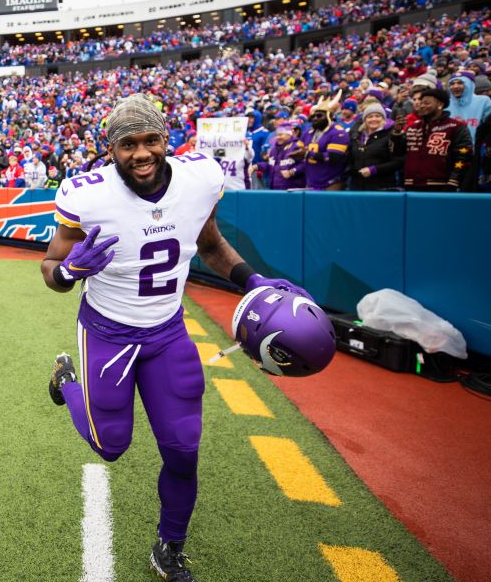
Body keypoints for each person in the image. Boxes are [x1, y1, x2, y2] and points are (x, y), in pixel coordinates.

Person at [42, 94, 316, 582]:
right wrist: (68, 271)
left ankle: (170, 546)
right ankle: (66, 380)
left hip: (167, 331)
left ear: (165, 140)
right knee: (110, 446)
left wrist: (252, 280)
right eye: (128, 144)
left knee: (184, 448)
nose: (142, 153)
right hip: (108, 332)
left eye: (151, 140)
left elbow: (208, 244)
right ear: (112, 150)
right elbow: (50, 268)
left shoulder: (199, 179)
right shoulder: (86, 194)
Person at [396, 88, 473, 192]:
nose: (422, 105)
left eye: (426, 103)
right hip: (411, 185)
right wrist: (396, 133)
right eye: (421, 102)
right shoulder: (412, 127)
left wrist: (453, 180)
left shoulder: (456, 127)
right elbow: (398, 153)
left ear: (440, 105)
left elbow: (464, 155)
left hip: (441, 186)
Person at [347, 103, 405, 190]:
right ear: (365, 120)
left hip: (382, 187)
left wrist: (374, 170)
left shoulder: (391, 135)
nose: (374, 119)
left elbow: (398, 161)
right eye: (370, 116)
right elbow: (351, 158)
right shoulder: (357, 136)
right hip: (357, 186)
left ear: (383, 118)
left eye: (377, 116)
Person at [301, 100, 351, 191]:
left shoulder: (338, 132)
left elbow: (333, 157)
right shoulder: (308, 132)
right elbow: (297, 150)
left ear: (329, 116)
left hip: (331, 182)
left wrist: (308, 154)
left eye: (319, 115)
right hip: (312, 180)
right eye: (313, 116)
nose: (315, 118)